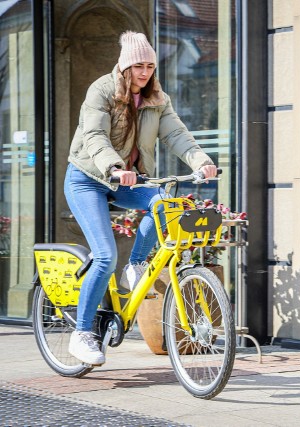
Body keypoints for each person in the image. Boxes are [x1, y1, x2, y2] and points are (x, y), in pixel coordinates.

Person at [64, 31, 217, 365]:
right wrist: (114, 166)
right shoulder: (101, 90)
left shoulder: (157, 98)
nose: (145, 72)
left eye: (150, 65)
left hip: (128, 179)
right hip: (88, 178)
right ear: (124, 67)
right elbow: (94, 135)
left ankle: (136, 264)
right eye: (138, 65)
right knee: (104, 256)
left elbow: (177, 134)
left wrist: (202, 162)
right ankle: (83, 333)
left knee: (162, 202)